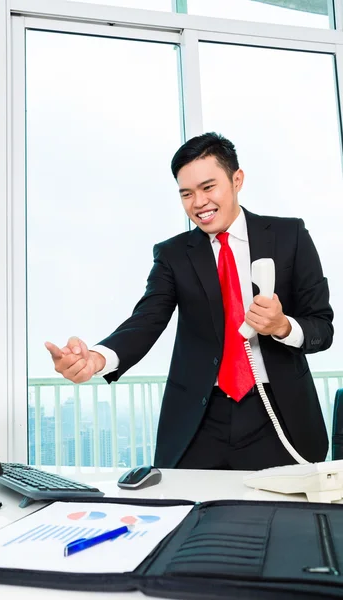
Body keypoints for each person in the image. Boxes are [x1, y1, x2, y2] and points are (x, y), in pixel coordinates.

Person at [45, 133, 333, 471]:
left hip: (278, 415)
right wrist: (96, 358)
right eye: (187, 193)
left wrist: (283, 326)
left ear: (236, 180)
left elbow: (321, 328)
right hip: (199, 421)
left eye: (208, 187)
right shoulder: (173, 254)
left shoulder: (289, 236)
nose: (198, 203)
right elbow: (147, 320)